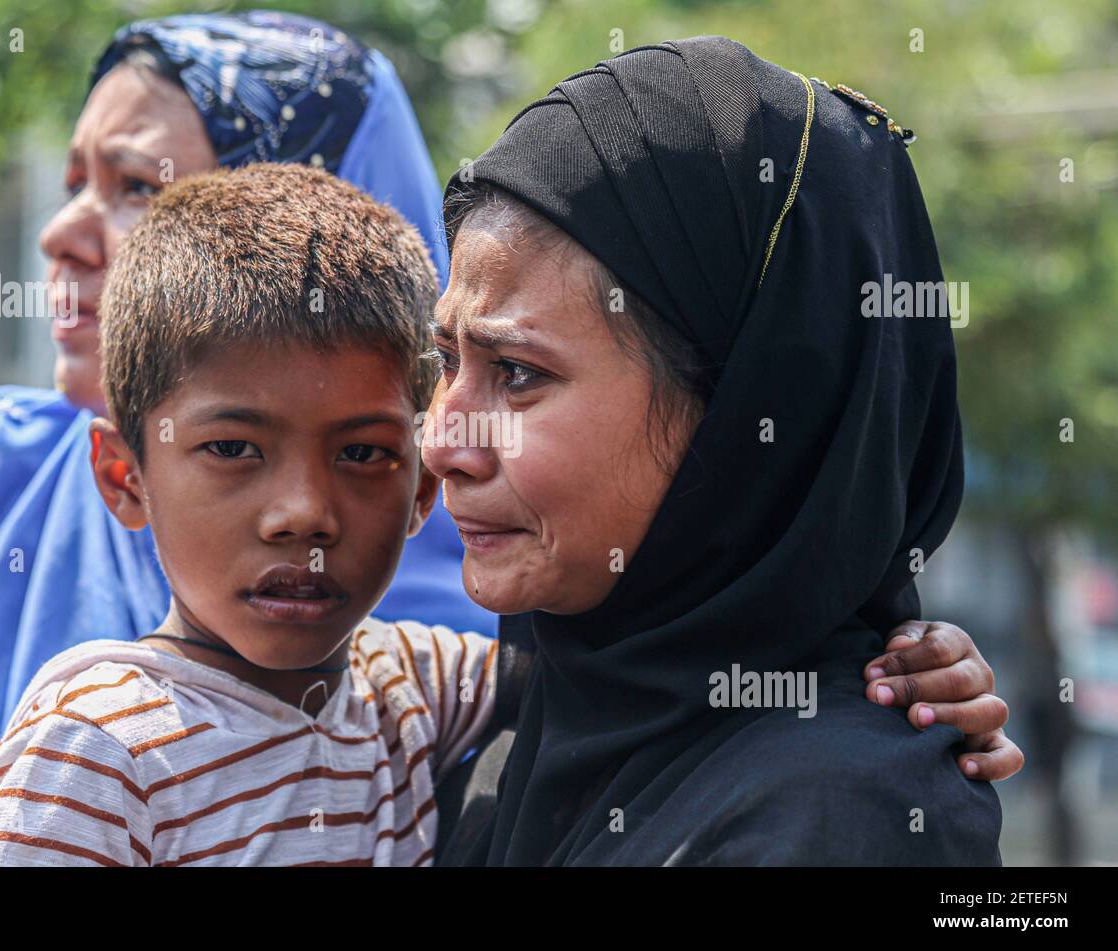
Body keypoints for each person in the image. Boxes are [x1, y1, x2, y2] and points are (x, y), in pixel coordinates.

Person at [0, 10, 492, 869]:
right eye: (74, 182)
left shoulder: (421, 658)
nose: (59, 234)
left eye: (137, 186)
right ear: (124, 474)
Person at [427, 37, 1016, 865]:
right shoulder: (503, 734)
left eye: (517, 373)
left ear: (743, 413)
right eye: (445, 362)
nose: (442, 440)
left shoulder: (837, 819)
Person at [0, 164, 496, 867]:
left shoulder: (408, 687)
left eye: (362, 452)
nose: (304, 515)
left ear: (423, 487)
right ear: (124, 477)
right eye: (234, 448)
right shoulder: (100, 752)